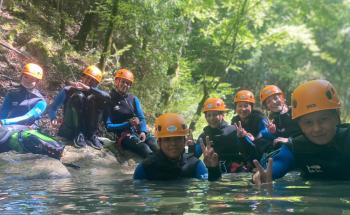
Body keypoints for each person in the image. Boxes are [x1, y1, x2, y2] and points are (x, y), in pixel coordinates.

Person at [252, 80, 350, 184]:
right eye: (308, 122)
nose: (316, 128)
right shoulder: (295, 147)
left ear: (336, 117)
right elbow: (278, 164)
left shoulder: (347, 137)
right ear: (299, 125)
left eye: (323, 119)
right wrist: (261, 176)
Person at [0, 63, 64, 159]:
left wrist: (3, 122)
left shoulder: (41, 101)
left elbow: (28, 117)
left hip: (28, 128)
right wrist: (2, 122)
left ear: (37, 81)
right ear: (21, 76)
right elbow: (3, 113)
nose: (28, 81)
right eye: (26, 77)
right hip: (9, 126)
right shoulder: (12, 94)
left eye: (32, 79)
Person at [133, 113, 221, 181]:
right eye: (167, 139)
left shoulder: (194, 165)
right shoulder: (146, 167)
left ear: (184, 141)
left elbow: (212, 191)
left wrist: (214, 170)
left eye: (178, 138)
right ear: (159, 143)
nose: (173, 143)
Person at [48, 65, 110, 150]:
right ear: (82, 77)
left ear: (96, 84)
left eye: (93, 81)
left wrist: (88, 89)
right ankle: (79, 133)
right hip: (69, 128)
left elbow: (107, 97)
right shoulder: (68, 89)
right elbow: (53, 108)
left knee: (95, 98)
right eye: (87, 78)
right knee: (78, 96)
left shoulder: (95, 93)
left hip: (87, 131)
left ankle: (91, 135)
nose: (88, 81)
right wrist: (53, 118)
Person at [191, 97, 256, 173]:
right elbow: (193, 157)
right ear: (205, 117)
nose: (212, 118)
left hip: (236, 170)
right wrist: (190, 146)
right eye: (209, 115)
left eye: (215, 115)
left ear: (222, 115)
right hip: (215, 170)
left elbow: (251, 150)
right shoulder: (204, 135)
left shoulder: (234, 130)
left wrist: (243, 138)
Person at [105, 68, 158, 158]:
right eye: (123, 82)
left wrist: (143, 131)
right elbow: (108, 126)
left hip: (138, 131)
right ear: (116, 81)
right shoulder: (109, 99)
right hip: (125, 136)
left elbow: (141, 118)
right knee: (144, 149)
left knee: (156, 146)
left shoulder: (133, 98)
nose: (126, 85)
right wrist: (127, 124)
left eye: (129, 84)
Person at [231, 90, 274, 158]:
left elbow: (265, 135)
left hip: (262, 151)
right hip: (245, 151)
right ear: (236, 108)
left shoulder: (260, 118)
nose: (243, 109)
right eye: (240, 106)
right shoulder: (235, 120)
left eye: (246, 106)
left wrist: (253, 138)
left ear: (251, 107)